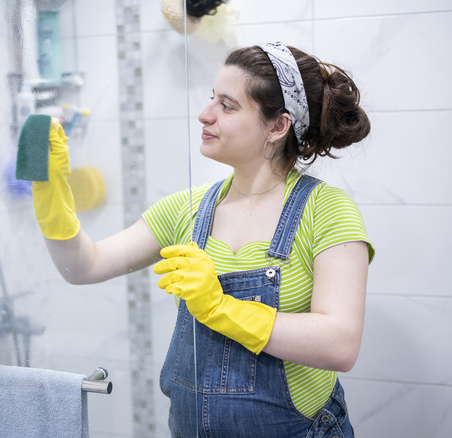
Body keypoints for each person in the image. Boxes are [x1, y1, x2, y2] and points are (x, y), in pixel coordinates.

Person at [32, 42, 374, 437]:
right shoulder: (187, 209)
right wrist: (51, 196)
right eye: (212, 98)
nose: (204, 114)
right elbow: (85, 266)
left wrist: (218, 308)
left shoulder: (327, 211)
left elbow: (340, 344)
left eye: (227, 106)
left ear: (277, 126)